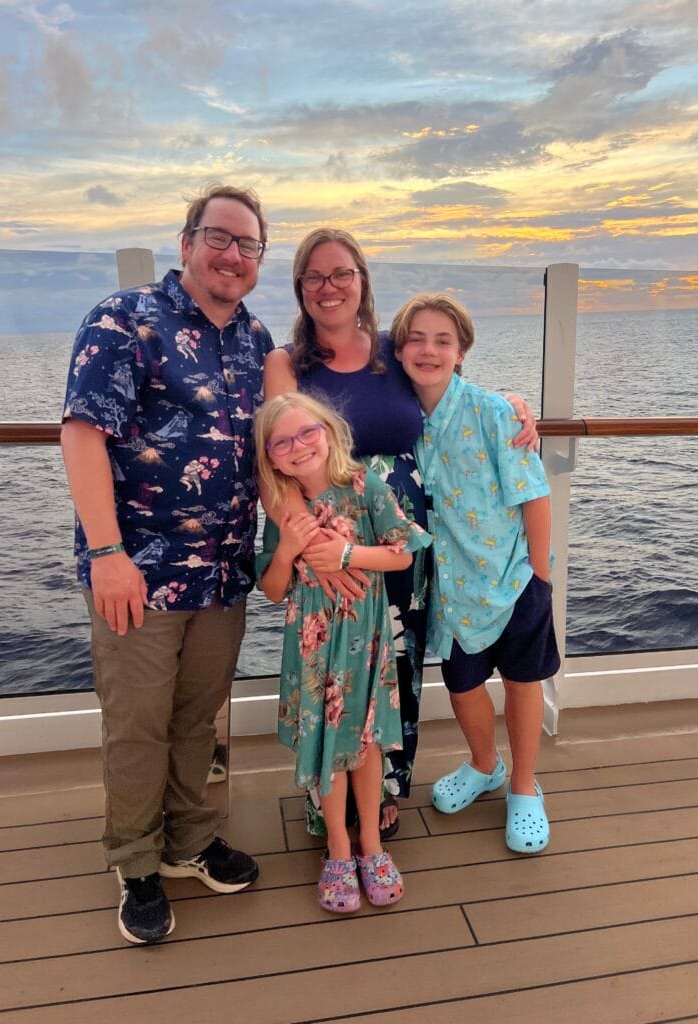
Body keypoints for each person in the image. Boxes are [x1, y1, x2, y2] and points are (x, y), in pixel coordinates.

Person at [263, 227, 539, 838]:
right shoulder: (288, 362)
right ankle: (329, 797)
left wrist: (515, 405)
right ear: (300, 288)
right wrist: (317, 549)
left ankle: (387, 787)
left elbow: (450, 388)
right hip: (328, 544)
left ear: (362, 281)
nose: (329, 287)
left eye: (342, 274)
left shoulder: (394, 349)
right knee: (331, 669)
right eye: (314, 276)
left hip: (401, 539)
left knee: (398, 665)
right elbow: (274, 454)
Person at [60, 184, 272, 944]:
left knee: (195, 718)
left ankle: (191, 840)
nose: (233, 255)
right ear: (187, 243)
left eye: (249, 246)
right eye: (220, 238)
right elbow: (84, 433)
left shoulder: (255, 339)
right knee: (137, 721)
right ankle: (136, 861)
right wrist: (109, 553)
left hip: (221, 572)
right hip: (139, 573)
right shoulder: (123, 319)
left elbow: (295, 433)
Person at [392, 293, 561, 853]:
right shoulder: (398, 420)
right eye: (416, 338)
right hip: (450, 591)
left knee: (522, 682)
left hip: (513, 579)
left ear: (461, 351)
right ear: (398, 348)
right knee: (463, 686)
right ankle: (485, 764)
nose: (429, 349)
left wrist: (539, 577)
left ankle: (522, 785)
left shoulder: (493, 412)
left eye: (443, 340)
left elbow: (534, 496)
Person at [254, 392, 430, 911]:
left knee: (367, 740)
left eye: (307, 432)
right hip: (312, 649)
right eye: (282, 441)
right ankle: (337, 847)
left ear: (329, 430)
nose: (298, 446)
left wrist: (347, 553)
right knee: (328, 741)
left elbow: (404, 554)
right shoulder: (281, 509)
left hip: (365, 642)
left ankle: (371, 846)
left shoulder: (364, 486)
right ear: (270, 455)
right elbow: (271, 587)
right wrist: (287, 550)